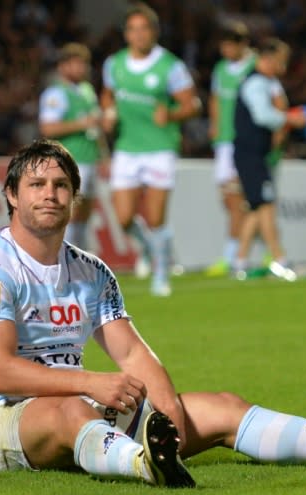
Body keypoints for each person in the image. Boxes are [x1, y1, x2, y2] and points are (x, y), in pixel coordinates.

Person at [0, 138, 306, 487]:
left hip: (87, 406)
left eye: (59, 185)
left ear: (75, 199)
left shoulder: (91, 269)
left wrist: (167, 415)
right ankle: (145, 463)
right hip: (7, 420)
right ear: (12, 196)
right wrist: (92, 383)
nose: (49, 195)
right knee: (71, 411)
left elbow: (132, 352)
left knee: (222, 407)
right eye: (36, 186)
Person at [100, 2, 201, 296]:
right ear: (126, 34)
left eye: (144, 29)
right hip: (127, 148)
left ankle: (161, 273)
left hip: (159, 147)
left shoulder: (170, 66)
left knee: (156, 218)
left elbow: (192, 105)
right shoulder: (114, 64)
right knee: (123, 218)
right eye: (133, 29)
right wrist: (108, 112)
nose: (139, 35)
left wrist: (170, 114)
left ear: (154, 32)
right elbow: (107, 96)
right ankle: (147, 249)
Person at [232, 38, 306, 281]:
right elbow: (263, 115)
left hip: (252, 153)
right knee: (266, 206)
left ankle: (240, 261)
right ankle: (280, 259)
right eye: (281, 62)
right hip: (250, 153)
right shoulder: (256, 82)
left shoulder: (261, 81)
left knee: (256, 207)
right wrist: (289, 119)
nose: (283, 68)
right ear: (268, 59)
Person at [38, 42, 108, 251]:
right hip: (71, 159)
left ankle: (81, 256)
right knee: (69, 211)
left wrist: (103, 155)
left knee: (85, 211)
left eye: (83, 64)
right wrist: (81, 123)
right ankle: (61, 255)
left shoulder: (87, 90)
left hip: (90, 158)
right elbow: (48, 128)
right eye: (75, 63)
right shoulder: (55, 94)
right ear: (63, 67)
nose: (80, 68)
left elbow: (95, 127)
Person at [204, 21, 256, 277]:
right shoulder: (221, 69)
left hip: (245, 141)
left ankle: (233, 255)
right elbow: (215, 98)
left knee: (239, 200)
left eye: (229, 45)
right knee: (230, 200)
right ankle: (252, 248)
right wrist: (214, 125)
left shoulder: (254, 67)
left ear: (242, 44)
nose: (225, 51)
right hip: (224, 141)